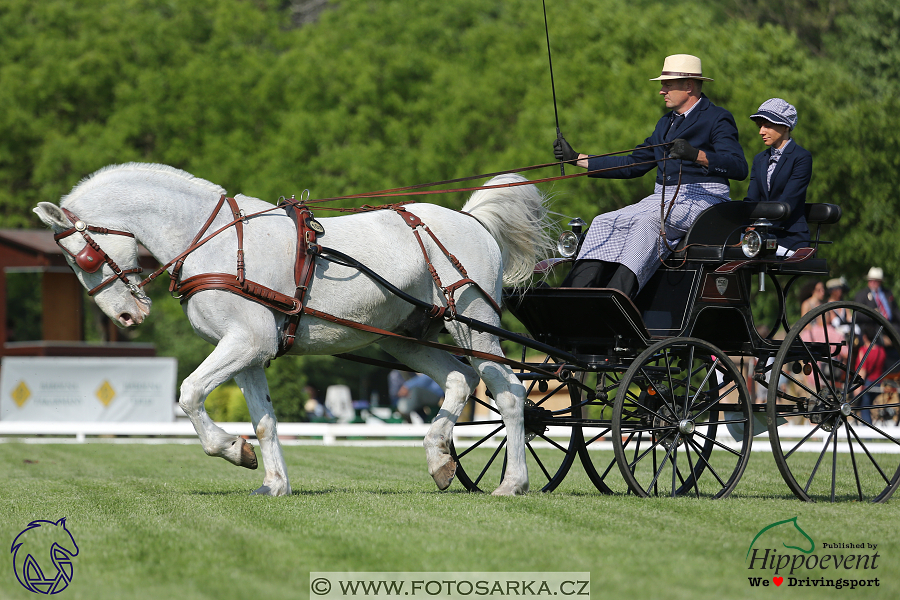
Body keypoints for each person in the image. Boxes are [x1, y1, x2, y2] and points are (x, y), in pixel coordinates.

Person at [553, 54, 748, 298]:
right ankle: (573, 297)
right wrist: (577, 158)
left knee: (647, 222)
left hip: (704, 200)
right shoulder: (664, 124)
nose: (661, 90)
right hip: (661, 199)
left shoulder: (717, 118)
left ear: (688, 86)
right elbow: (633, 164)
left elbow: (739, 167)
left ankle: (618, 299)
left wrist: (696, 155)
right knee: (604, 221)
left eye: (667, 85)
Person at [744, 98, 813, 255]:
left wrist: (759, 228)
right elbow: (752, 200)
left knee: (747, 251)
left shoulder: (801, 157)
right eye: (760, 126)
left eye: (768, 126)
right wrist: (742, 225)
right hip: (761, 235)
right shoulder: (759, 159)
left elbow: (788, 202)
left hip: (790, 237)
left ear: (785, 126)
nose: (761, 131)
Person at [854, 267, 900, 354]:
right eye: (871, 280)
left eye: (876, 280)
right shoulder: (861, 295)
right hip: (873, 330)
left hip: (892, 327)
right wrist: (872, 314)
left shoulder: (887, 293)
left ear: (881, 281)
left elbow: (896, 312)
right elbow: (857, 315)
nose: (873, 282)